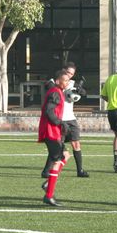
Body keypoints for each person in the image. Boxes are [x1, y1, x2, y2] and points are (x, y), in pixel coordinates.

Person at [42, 62, 89, 178]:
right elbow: (49, 88)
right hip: (59, 119)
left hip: (70, 119)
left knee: (76, 143)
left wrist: (80, 91)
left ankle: (80, 170)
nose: (70, 76)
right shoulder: (53, 82)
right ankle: (47, 171)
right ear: (63, 71)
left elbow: (84, 93)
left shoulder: (72, 83)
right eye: (68, 73)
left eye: (72, 74)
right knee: (59, 147)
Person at [39, 69, 73, 207]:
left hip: (54, 131)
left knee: (66, 155)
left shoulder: (57, 91)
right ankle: (49, 195)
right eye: (65, 80)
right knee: (58, 160)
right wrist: (61, 123)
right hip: (51, 131)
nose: (67, 83)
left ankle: (48, 183)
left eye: (68, 81)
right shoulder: (55, 92)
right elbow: (49, 111)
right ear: (58, 81)